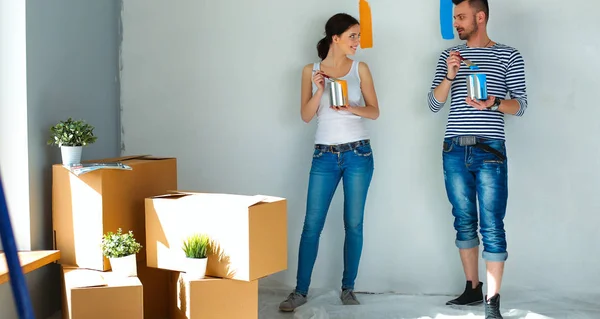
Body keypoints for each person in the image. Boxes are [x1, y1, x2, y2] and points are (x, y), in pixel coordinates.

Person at [427, 0, 527, 318]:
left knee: (493, 225)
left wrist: (494, 102)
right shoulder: (448, 56)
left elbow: (520, 105)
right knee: (464, 220)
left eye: (461, 17)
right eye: (454, 17)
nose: (456, 23)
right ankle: (472, 289)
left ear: (480, 17)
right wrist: (449, 75)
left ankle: (492, 302)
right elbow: (432, 103)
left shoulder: (508, 54)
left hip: (489, 150)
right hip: (454, 149)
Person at [278, 13, 380, 312]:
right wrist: (320, 89)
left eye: (358, 37)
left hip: (358, 153)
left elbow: (374, 111)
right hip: (324, 156)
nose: (357, 43)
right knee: (312, 225)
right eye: (352, 36)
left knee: (354, 224)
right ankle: (299, 291)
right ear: (335, 38)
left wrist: (351, 106)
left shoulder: (361, 68)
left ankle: (348, 288)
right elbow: (306, 115)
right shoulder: (310, 70)